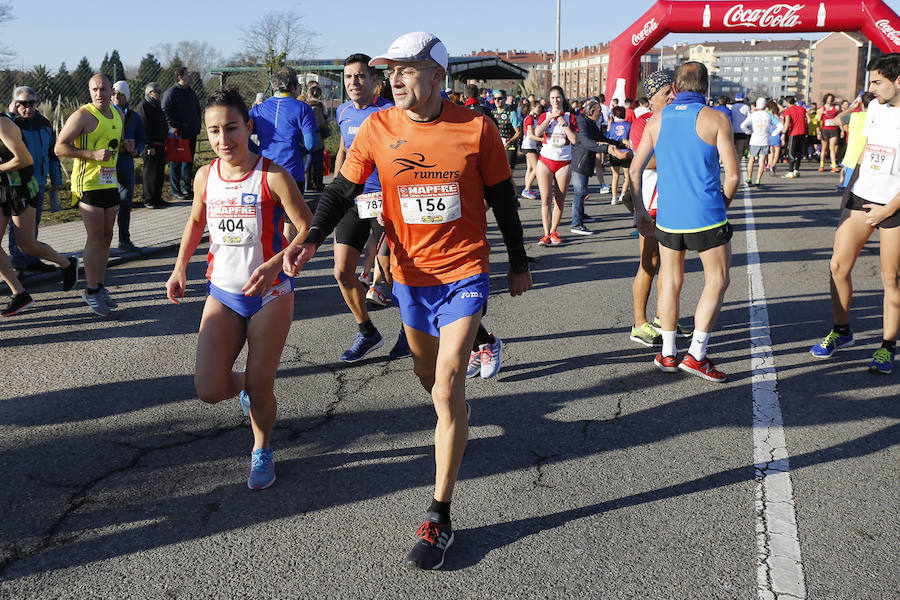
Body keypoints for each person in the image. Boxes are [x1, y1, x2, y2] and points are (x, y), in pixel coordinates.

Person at [283, 31, 531, 570]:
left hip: (465, 272)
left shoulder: (476, 128)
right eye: (389, 69)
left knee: (445, 385)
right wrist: (309, 240)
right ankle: (456, 421)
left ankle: (439, 516)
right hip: (411, 279)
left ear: (439, 75)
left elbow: (503, 200)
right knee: (428, 376)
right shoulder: (377, 126)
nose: (394, 78)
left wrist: (517, 262)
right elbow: (341, 191)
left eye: (407, 68)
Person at [166, 88, 313, 489]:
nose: (223, 140)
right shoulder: (205, 175)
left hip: (270, 294)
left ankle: (261, 447)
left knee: (260, 385)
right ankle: (251, 385)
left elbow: (308, 228)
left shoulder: (273, 175)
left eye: (231, 128)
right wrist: (180, 267)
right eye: (214, 131)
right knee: (209, 389)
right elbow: (196, 222)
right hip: (223, 294)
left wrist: (275, 262)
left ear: (249, 127)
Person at [630, 61, 739, 382]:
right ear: (705, 88)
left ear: (675, 88)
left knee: (671, 280)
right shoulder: (717, 118)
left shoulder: (657, 120)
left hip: (668, 216)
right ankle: (697, 355)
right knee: (717, 280)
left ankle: (667, 352)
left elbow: (635, 170)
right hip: (706, 214)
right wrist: (722, 206)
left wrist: (639, 212)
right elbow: (732, 175)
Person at [808, 53, 900, 375]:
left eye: (877, 82)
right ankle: (842, 331)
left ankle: (887, 346)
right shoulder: (874, 108)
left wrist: (887, 210)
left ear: (898, 81)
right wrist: (848, 198)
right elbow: (865, 154)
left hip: (895, 206)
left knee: (891, 278)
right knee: (837, 265)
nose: (871, 88)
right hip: (862, 197)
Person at [331, 53, 403, 362]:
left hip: (386, 200)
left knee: (395, 274)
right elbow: (344, 151)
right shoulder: (343, 112)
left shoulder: (391, 112)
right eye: (349, 77)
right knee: (342, 272)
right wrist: (336, 186)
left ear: (375, 81)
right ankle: (367, 331)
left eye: (360, 76)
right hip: (353, 199)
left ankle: (411, 334)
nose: (353, 82)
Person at [622, 71, 692, 347]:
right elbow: (645, 161)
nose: (673, 96)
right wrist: (679, 159)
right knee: (648, 263)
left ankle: (665, 318)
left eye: (674, 91)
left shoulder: (678, 118)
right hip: (650, 203)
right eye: (666, 93)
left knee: (673, 265)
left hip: (676, 202)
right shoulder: (642, 122)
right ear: (652, 99)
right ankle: (639, 323)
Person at [55, 73, 124, 316]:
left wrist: (126, 148)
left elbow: (113, 143)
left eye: (103, 89)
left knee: (107, 236)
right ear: (89, 90)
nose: (99, 93)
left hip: (109, 182)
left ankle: (100, 286)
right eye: (94, 89)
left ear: (111, 91)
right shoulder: (83, 115)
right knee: (95, 237)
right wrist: (92, 155)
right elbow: (60, 146)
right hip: (88, 184)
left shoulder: (117, 113)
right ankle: (91, 290)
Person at [0, 111, 78, 316]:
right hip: (2, 188)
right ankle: (20, 294)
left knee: (26, 245)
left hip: (21, 188)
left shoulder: (2, 124)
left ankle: (67, 263)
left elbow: (24, 159)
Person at [6, 86, 63, 276]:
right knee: (18, 226)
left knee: (33, 223)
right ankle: (18, 262)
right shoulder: (10, 124)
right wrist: (11, 115)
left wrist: (56, 179)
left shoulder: (44, 123)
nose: (27, 108)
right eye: (22, 104)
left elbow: (52, 153)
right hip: (17, 183)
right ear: (15, 104)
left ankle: (31, 259)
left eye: (32, 103)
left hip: (37, 181)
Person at [249, 67, 318, 208]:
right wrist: (300, 150)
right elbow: (311, 144)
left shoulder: (257, 109)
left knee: (268, 221)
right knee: (291, 223)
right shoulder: (303, 108)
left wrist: (257, 150)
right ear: (293, 87)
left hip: (264, 172)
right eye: (298, 86)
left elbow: (241, 136)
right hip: (292, 172)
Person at [570, 99, 626, 235]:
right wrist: (607, 148)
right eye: (599, 112)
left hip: (586, 161)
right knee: (579, 192)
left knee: (582, 191)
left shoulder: (591, 122)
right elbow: (588, 143)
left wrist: (619, 144)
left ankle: (581, 215)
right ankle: (576, 224)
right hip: (580, 161)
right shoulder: (582, 121)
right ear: (592, 112)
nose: (601, 114)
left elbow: (601, 137)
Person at [534, 85, 578, 246]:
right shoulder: (545, 115)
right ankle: (545, 234)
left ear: (562, 98)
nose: (555, 100)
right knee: (545, 199)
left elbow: (574, 140)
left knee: (559, 199)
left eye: (558, 97)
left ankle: (554, 231)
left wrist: (562, 122)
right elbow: (537, 133)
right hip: (545, 160)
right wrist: (549, 119)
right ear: (549, 100)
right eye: (552, 98)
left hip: (563, 161)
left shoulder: (569, 116)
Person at [112, 81, 146, 252]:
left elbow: (142, 139)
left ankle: (124, 240)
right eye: (114, 94)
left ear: (127, 96)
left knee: (125, 202)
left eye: (120, 94)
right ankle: (102, 242)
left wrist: (136, 150)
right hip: (106, 166)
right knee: (108, 205)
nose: (116, 97)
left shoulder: (134, 117)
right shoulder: (104, 115)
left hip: (125, 164)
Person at [162, 67, 201, 200]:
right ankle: (175, 189)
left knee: (188, 161)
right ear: (180, 77)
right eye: (187, 74)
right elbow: (165, 110)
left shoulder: (191, 92)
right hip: (178, 133)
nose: (190, 76)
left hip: (191, 132)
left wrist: (197, 125)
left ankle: (187, 188)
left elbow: (197, 110)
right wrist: (176, 125)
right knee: (176, 161)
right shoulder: (172, 93)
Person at [135, 83, 168, 209]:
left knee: (159, 172)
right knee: (150, 173)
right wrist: (149, 146)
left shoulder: (157, 105)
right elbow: (144, 127)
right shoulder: (144, 106)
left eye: (160, 91)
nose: (159, 94)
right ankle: (148, 199)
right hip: (150, 145)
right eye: (157, 91)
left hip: (160, 144)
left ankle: (157, 197)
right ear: (150, 93)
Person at [833, 93, 875, 191]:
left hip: (852, 159)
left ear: (861, 103)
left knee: (849, 190)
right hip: (870, 159)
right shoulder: (878, 117)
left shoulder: (854, 116)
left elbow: (836, 120)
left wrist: (851, 108)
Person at [743, 97, 774, 186]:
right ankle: (758, 180)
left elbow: (743, 125)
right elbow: (779, 125)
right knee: (762, 161)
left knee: (751, 160)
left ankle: (749, 178)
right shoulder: (768, 115)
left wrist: (748, 132)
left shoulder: (753, 115)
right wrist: (773, 133)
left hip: (754, 140)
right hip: (765, 140)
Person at [491, 89, 523, 171]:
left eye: (500, 98)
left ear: (505, 99)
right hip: (496, 147)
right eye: (495, 98)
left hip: (509, 147)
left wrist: (510, 142)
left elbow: (519, 132)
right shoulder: (492, 113)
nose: (497, 101)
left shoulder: (511, 113)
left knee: (508, 173)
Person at [305, 84, 329, 193]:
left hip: (306, 137)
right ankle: (318, 183)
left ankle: (308, 183)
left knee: (308, 163)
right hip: (317, 137)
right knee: (318, 162)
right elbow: (321, 122)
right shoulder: (318, 106)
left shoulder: (305, 106)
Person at [607, 105, 632, 204]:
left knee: (615, 175)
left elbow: (607, 137)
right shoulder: (629, 124)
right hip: (626, 152)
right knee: (627, 176)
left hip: (614, 151)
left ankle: (614, 198)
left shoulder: (611, 125)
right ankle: (622, 194)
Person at [519, 99, 541, 200]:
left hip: (530, 145)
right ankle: (527, 189)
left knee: (530, 168)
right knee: (537, 168)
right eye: (538, 107)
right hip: (529, 145)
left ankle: (527, 188)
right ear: (533, 108)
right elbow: (531, 135)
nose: (540, 109)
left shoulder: (533, 118)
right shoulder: (529, 119)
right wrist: (542, 139)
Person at [781, 95, 807, 179]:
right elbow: (808, 119)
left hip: (793, 132)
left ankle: (790, 171)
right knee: (799, 152)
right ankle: (796, 170)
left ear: (787, 102)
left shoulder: (788, 110)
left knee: (791, 152)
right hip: (802, 131)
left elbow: (787, 122)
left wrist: (783, 133)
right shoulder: (802, 109)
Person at [817, 93, 841, 173]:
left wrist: (841, 129)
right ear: (826, 99)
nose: (830, 100)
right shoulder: (822, 109)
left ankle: (834, 166)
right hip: (825, 130)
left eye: (831, 98)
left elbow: (839, 118)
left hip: (833, 130)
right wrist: (818, 132)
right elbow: (818, 121)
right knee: (824, 149)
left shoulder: (836, 108)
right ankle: (821, 165)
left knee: (832, 148)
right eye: (828, 98)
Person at [729, 94, 750, 160]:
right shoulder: (746, 107)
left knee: (733, 149)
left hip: (733, 130)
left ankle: (733, 163)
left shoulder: (732, 107)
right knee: (740, 150)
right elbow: (749, 119)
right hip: (742, 131)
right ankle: (738, 163)